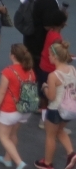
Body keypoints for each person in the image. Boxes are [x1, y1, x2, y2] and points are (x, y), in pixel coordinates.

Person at [0, 44, 37, 169]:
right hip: (24, 109)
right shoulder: (30, 71)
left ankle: (19, 162)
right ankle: (7, 159)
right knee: (13, 134)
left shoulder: (8, 71)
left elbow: (1, 92)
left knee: (3, 136)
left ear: (12, 56)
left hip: (9, 109)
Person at [21, 0, 65, 85]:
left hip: (29, 35)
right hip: (39, 41)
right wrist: (60, 21)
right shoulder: (49, 0)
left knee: (29, 65)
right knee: (38, 72)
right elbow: (47, 24)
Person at [41, 39, 76, 169]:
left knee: (50, 136)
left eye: (49, 55)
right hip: (69, 109)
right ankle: (71, 154)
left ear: (55, 56)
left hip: (55, 109)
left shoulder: (53, 75)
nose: (48, 57)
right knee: (60, 130)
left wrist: (44, 87)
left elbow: (51, 96)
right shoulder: (73, 69)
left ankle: (47, 163)